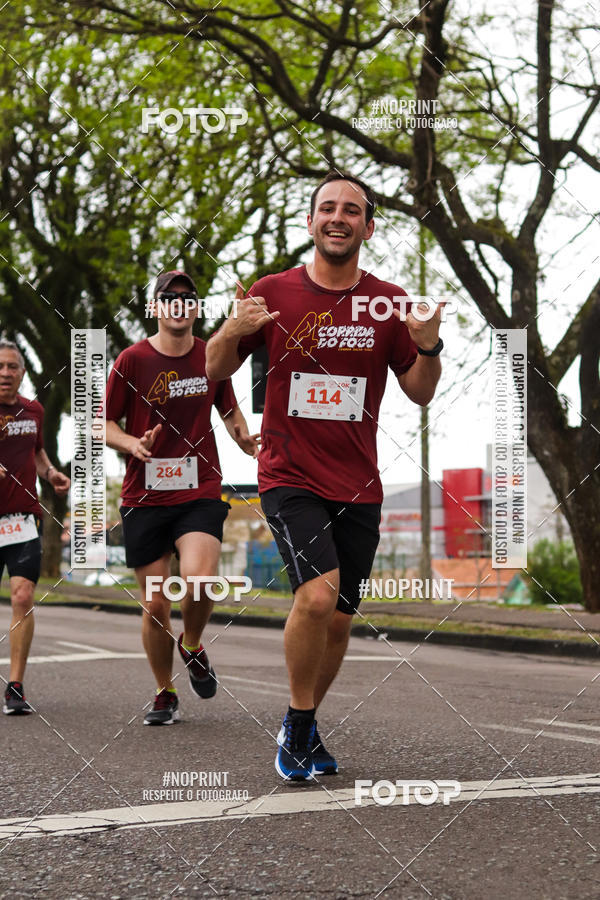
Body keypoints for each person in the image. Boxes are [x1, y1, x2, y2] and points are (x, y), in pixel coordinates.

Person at [206, 172, 443, 780]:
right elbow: (213, 368)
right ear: (311, 221)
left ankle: (304, 726)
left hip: (359, 481)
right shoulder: (272, 292)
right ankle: (297, 725)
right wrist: (234, 328)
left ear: (368, 225)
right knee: (315, 596)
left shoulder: (386, 302)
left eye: (352, 210)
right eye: (327, 208)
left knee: (339, 616)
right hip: (288, 471)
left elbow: (417, 392)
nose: (338, 218)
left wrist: (428, 346)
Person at [105, 271, 259, 725]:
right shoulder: (131, 360)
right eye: (168, 298)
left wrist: (242, 437)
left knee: (200, 580)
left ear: (196, 307)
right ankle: (164, 691)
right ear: (155, 308)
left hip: (199, 490)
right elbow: (103, 423)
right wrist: (133, 444)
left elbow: (227, 406)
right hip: (145, 495)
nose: (178, 304)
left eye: (187, 298)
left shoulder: (211, 353)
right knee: (155, 604)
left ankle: (191, 643)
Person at [0, 339, 70, 715]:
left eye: (12, 367)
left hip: (23, 518)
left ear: (22, 373)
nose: (5, 373)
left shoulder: (34, 411)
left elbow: (37, 451)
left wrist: (52, 473)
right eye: (0, 366)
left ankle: (15, 686)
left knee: (23, 597)